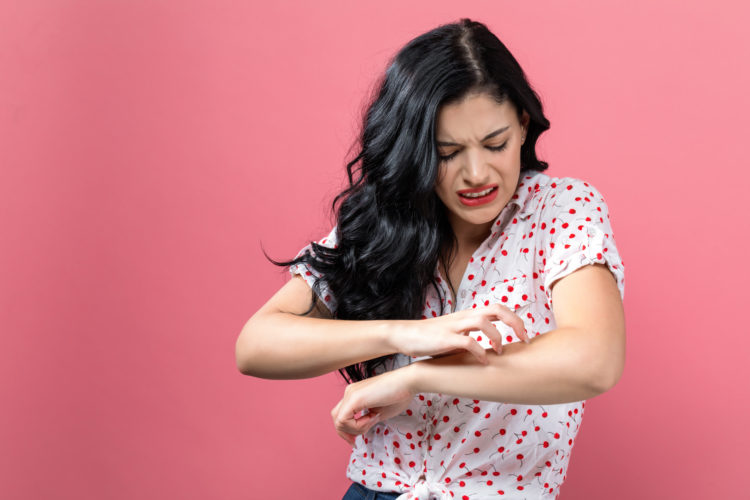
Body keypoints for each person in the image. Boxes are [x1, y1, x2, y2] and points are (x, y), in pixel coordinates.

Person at [236, 18, 626, 500]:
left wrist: (416, 376)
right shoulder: (385, 222)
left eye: (495, 143)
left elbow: (596, 360)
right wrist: (406, 332)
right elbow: (255, 345)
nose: (476, 172)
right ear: (414, 151)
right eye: (447, 153)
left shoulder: (561, 210)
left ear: (523, 127)